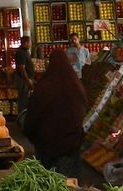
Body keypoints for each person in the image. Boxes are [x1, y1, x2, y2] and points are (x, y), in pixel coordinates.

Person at [23, 49, 88, 177]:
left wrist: (29, 132)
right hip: (70, 144)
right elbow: (82, 110)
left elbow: (34, 112)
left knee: (48, 183)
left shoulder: (44, 86)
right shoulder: (75, 85)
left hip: (47, 143)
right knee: (69, 185)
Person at [14, 35, 36, 115]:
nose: (30, 44)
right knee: (23, 101)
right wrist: (28, 82)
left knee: (26, 101)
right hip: (23, 81)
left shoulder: (25, 52)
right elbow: (22, 69)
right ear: (26, 43)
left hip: (26, 80)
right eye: (30, 42)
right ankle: (21, 120)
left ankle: (24, 118)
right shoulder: (21, 53)